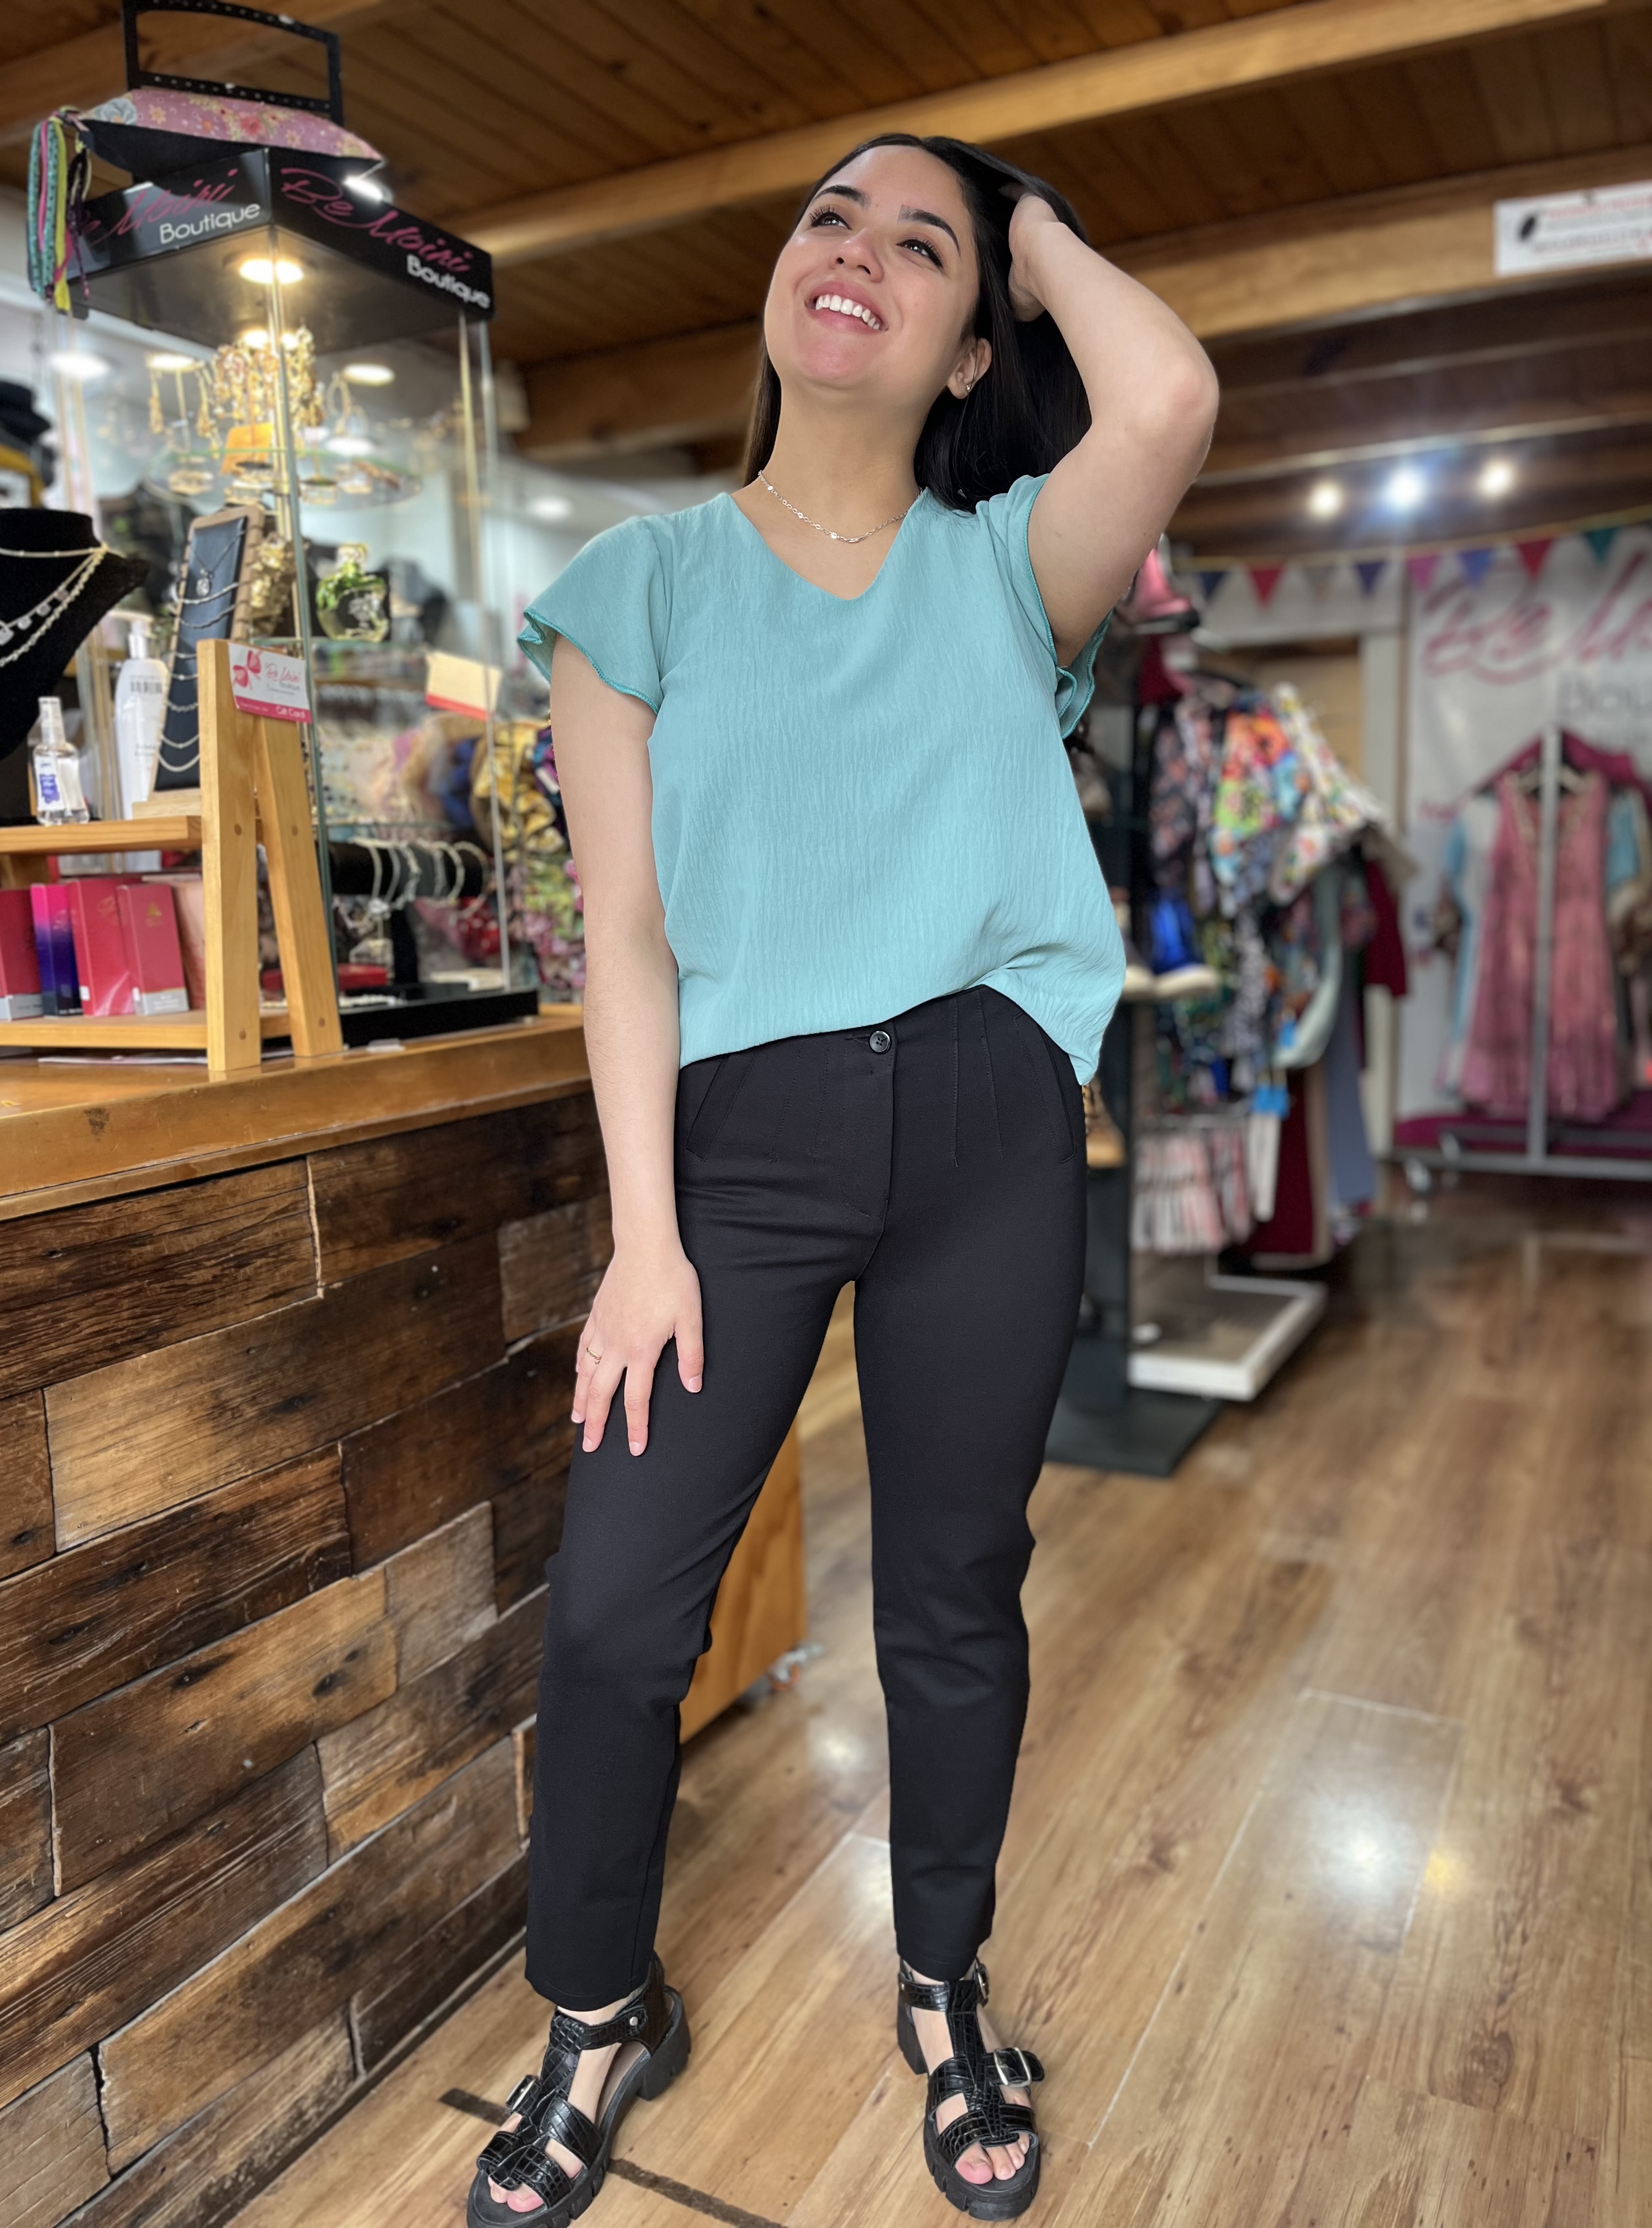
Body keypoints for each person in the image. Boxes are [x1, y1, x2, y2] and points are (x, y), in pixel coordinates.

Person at [466, 132, 1217, 2226]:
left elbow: (1165, 394)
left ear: (976, 342)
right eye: (830, 218)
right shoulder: (638, 585)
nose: (858, 253)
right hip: (742, 1149)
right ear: (779, 279)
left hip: (988, 1120)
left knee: (955, 1596)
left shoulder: (1013, 568)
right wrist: (644, 1240)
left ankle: (941, 1983)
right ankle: (595, 2014)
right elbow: (627, 939)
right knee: (618, 1614)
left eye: (919, 245)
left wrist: (1025, 218)